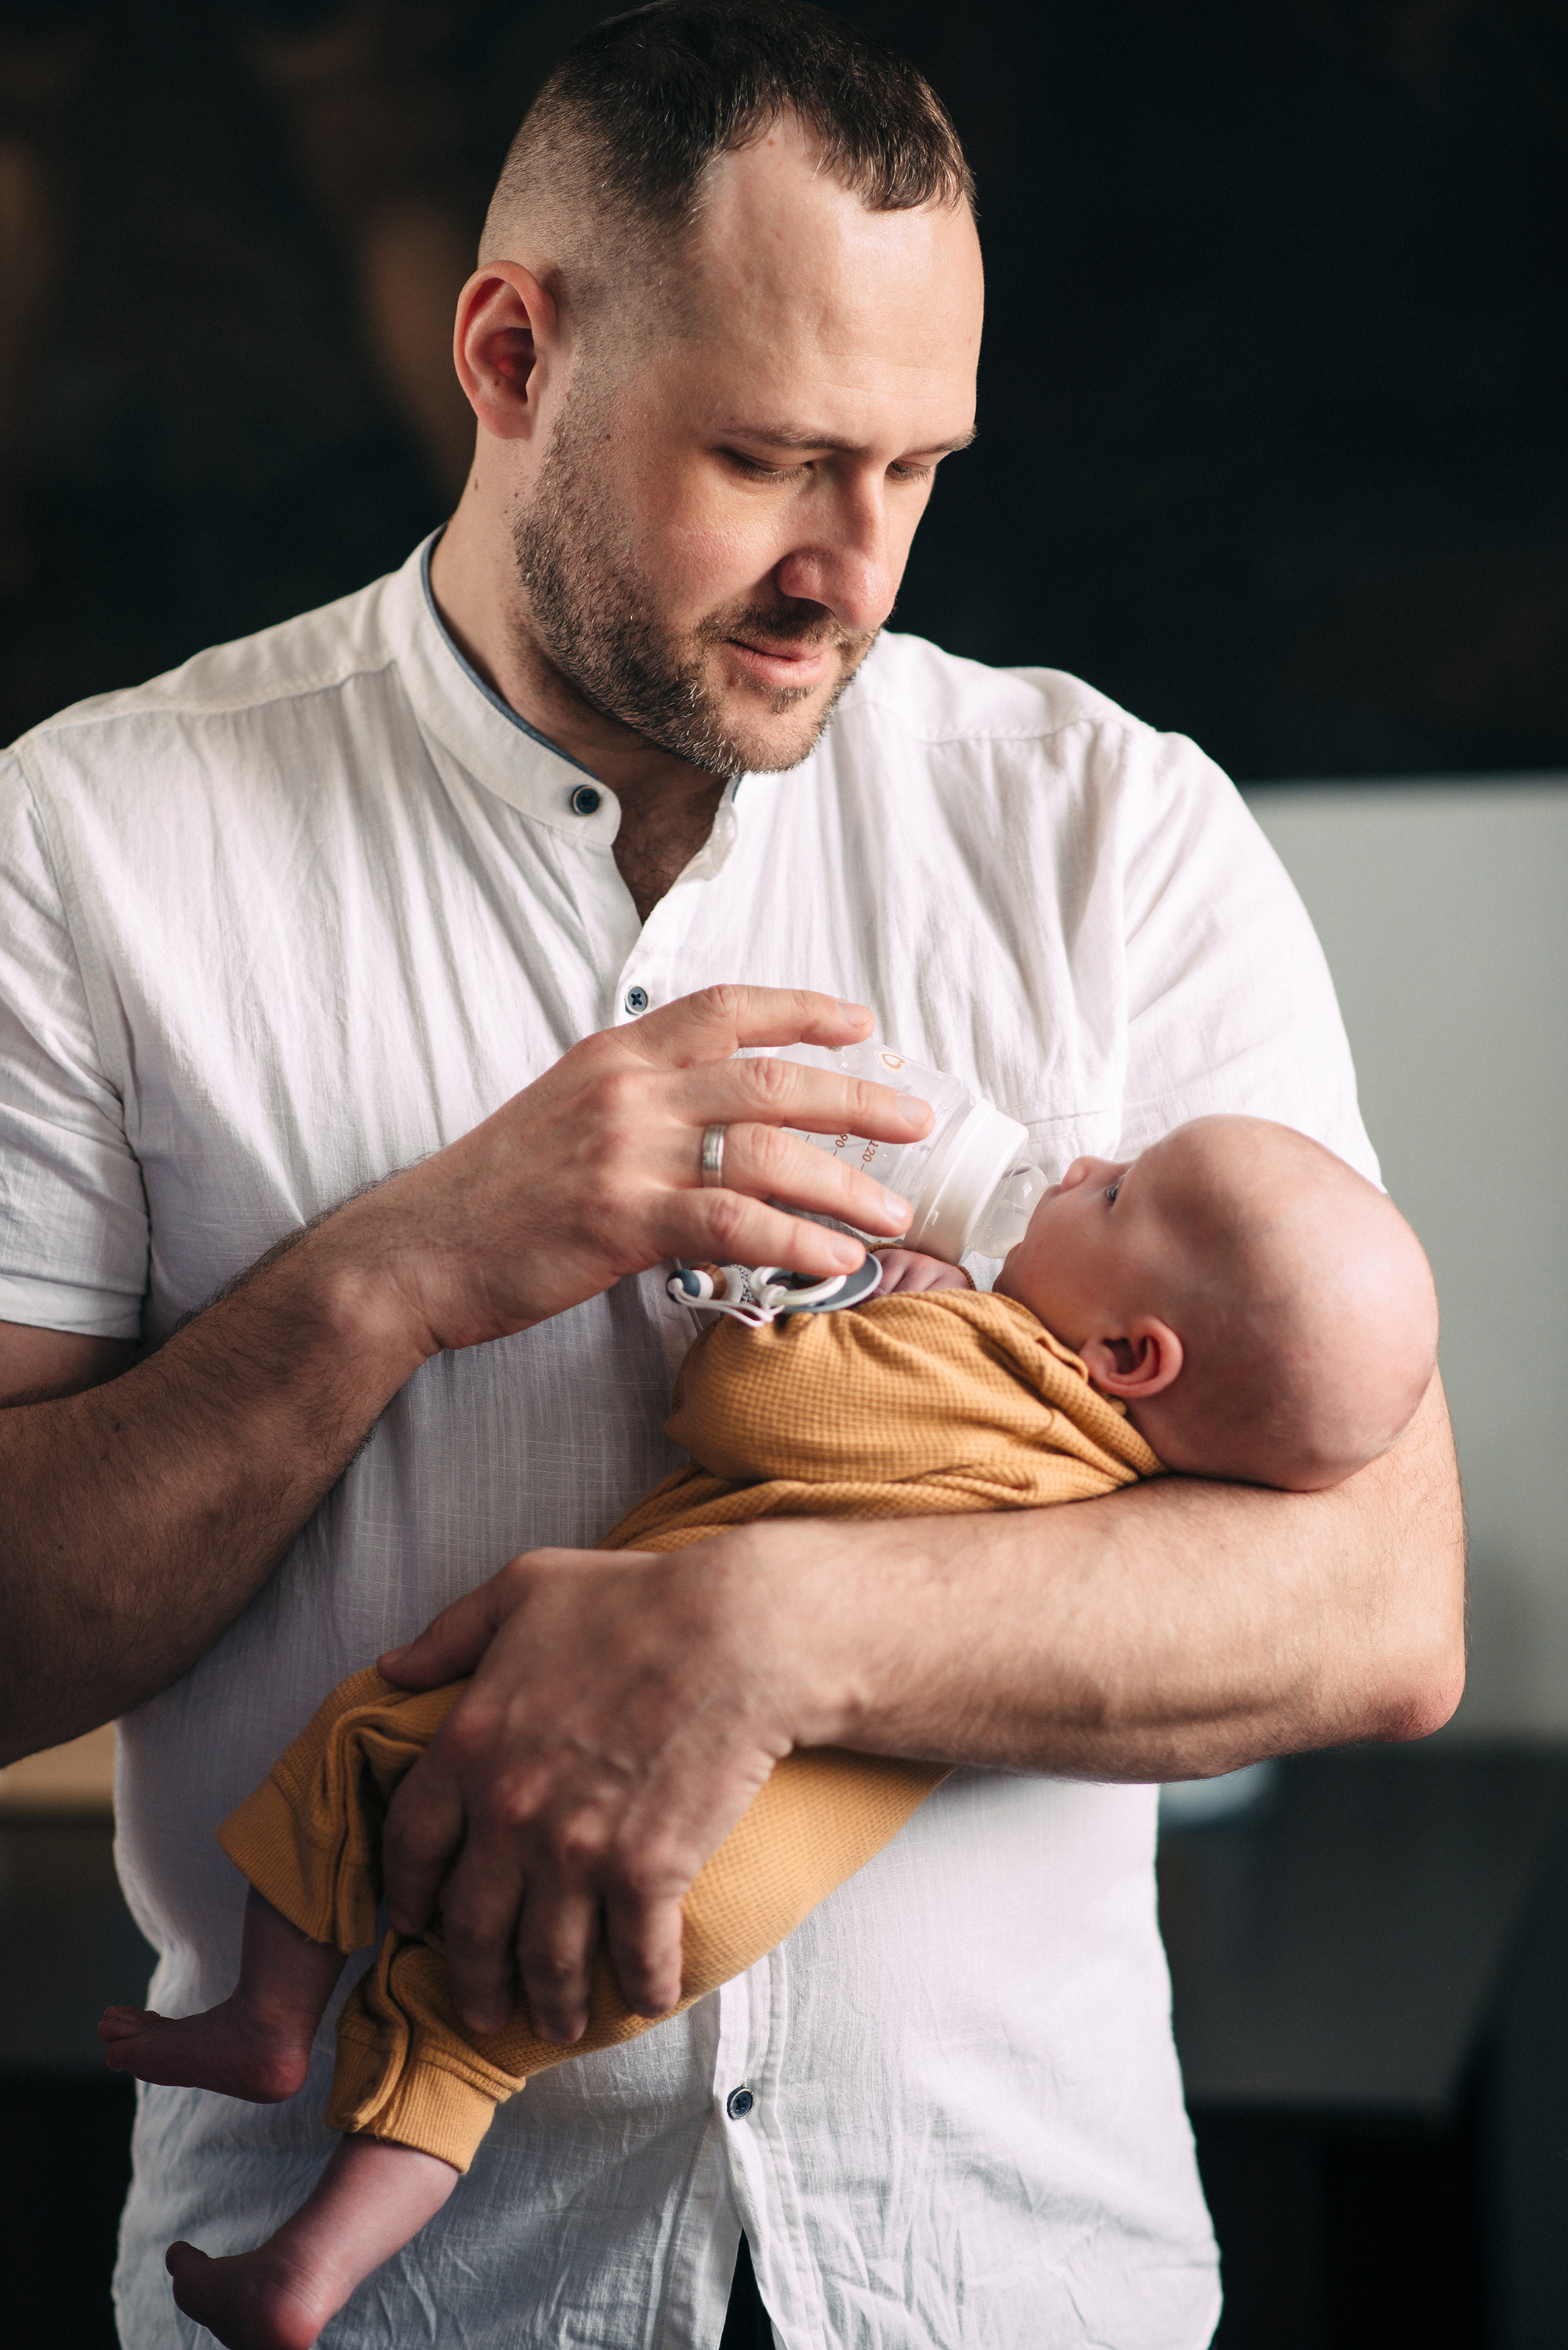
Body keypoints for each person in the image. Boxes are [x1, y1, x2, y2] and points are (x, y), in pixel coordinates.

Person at [0, 6, 1463, 2346]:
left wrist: (758, 1635)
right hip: (397, 2303)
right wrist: (392, 1271)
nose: (852, 570)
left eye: (913, 467)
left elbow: (1381, 1608)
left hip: (1016, 2272)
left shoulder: (1112, 827)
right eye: (774, 458)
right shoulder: (87, 845)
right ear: (508, 351)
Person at [94, 1113, 1440, 2350]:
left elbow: (750, 1410)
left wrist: (832, 1298)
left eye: (1117, 1189)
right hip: (740, 1887)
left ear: (1130, 1353)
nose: (1080, 1160)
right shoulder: (1108, 1473)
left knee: (362, 1741)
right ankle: (307, 2271)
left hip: (668, 1815)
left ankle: (272, 2015)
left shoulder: (991, 1358)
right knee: (465, 2030)